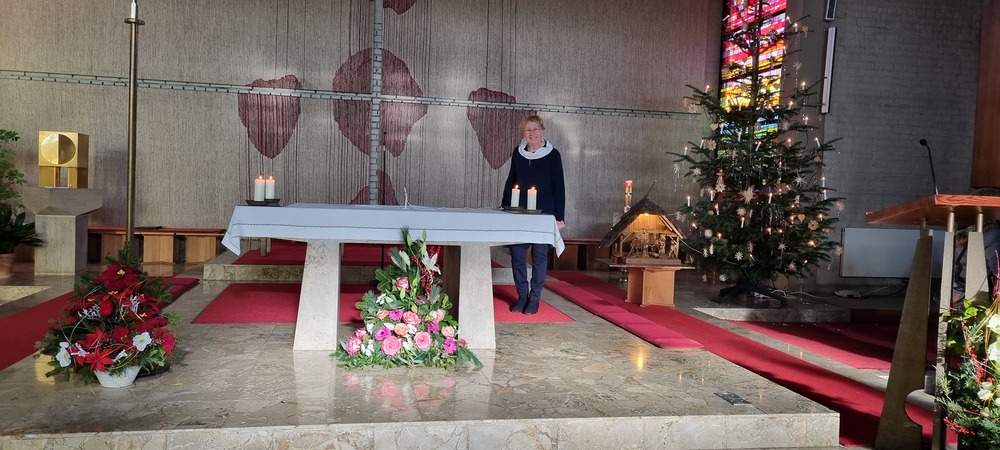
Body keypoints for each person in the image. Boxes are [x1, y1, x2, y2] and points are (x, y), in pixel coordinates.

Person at [501, 115, 566, 314]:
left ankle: (535, 297)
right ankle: (522, 295)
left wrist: (559, 217)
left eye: (535, 129)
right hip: (520, 212)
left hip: (544, 213)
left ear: (542, 130)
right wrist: (505, 206)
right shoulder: (518, 153)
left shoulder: (553, 155)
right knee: (517, 254)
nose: (532, 133)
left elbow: (559, 186)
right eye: (528, 130)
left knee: (539, 256)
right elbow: (511, 180)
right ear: (523, 133)